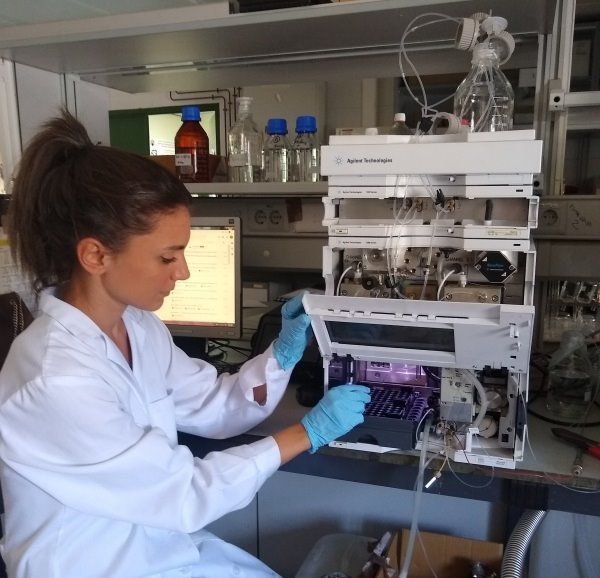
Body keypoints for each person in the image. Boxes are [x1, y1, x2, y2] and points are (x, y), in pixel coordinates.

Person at [0, 111, 371, 578]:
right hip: (90, 563)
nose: (183, 272)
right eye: (166, 256)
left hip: (158, 549)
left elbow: (214, 404)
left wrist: (283, 352)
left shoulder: (136, 326)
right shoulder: (55, 378)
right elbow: (185, 494)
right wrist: (306, 433)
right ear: (96, 255)